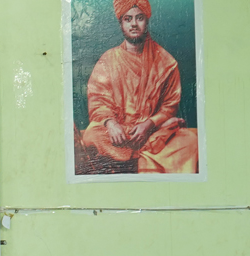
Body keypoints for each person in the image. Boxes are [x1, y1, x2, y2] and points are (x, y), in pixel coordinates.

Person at [77, 0, 198, 174]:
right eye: (128, 19)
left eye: (139, 18)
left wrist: (148, 124)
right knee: (92, 135)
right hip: (120, 134)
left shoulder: (166, 62)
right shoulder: (108, 60)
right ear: (121, 23)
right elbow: (98, 100)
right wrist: (111, 123)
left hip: (153, 131)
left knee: (189, 141)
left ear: (147, 21)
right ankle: (147, 155)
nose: (134, 24)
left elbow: (169, 106)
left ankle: (137, 157)